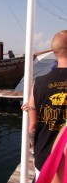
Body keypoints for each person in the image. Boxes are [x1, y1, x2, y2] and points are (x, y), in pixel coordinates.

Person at [21, 30, 67, 182]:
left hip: (44, 160)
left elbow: (32, 127)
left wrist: (34, 146)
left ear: (54, 52)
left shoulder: (39, 83)